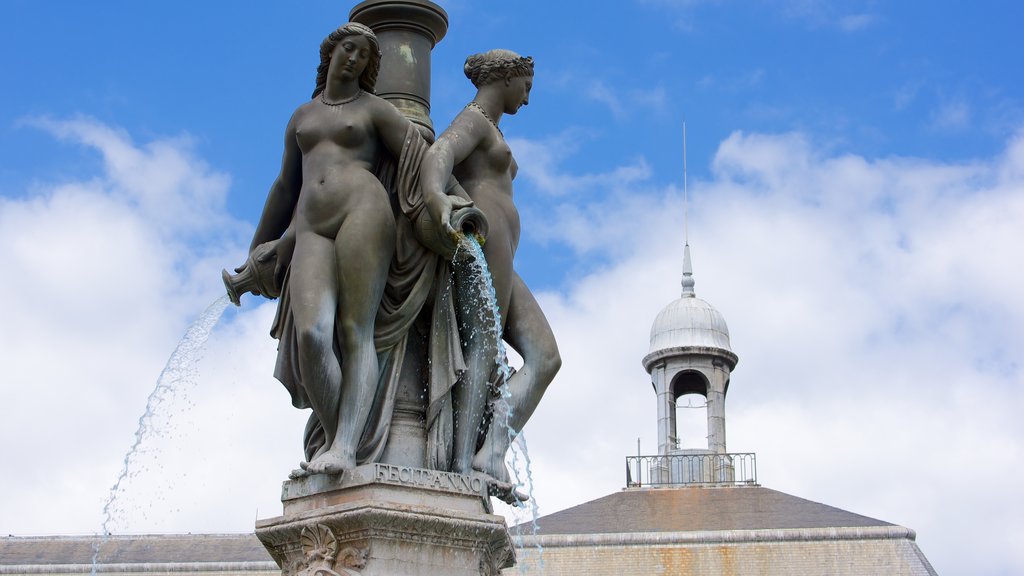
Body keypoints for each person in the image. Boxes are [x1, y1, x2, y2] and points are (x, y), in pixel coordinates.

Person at [244, 22, 421, 476]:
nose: (355, 59)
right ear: (330, 52)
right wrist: (257, 250)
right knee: (312, 334)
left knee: (353, 330)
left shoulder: (375, 110)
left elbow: (419, 157)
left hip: (362, 210)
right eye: (349, 48)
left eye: (364, 55)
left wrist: (445, 203)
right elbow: (286, 186)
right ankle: (335, 433)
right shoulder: (302, 116)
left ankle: (344, 446)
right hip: (309, 227)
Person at [420, 49, 561, 489]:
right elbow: (439, 153)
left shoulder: (490, 125)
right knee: (482, 347)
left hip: (501, 248)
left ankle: (492, 451)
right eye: (527, 86)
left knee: (546, 358)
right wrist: (436, 197)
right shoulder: (476, 120)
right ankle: (462, 464)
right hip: (484, 239)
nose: (528, 98)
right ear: (507, 77)